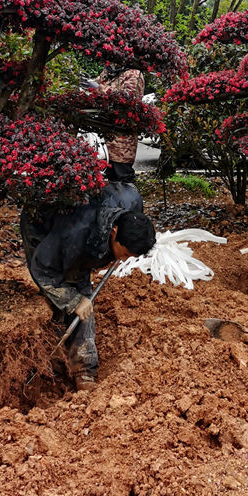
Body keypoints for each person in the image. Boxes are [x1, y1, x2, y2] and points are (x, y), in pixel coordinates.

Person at [20, 182, 156, 391]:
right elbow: (43, 269)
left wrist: (81, 299)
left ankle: (83, 369)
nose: (126, 260)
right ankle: (51, 355)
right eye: (126, 254)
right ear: (114, 232)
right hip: (42, 222)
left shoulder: (131, 203)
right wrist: (73, 301)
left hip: (86, 227)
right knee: (60, 289)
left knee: (82, 292)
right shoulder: (74, 234)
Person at [83, 65, 145, 184]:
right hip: (104, 139)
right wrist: (88, 84)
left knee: (123, 175)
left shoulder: (134, 74)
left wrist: (98, 88)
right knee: (108, 179)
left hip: (122, 141)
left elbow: (128, 99)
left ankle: (129, 201)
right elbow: (96, 85)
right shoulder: (109, 71)